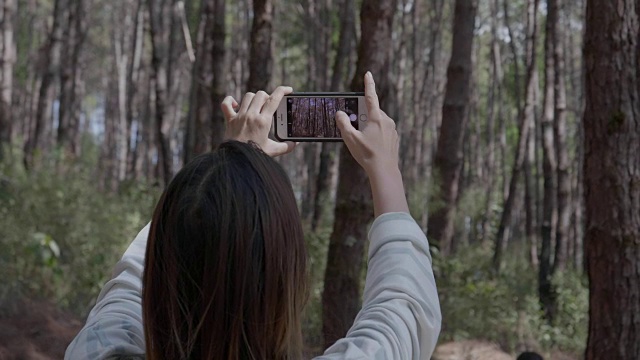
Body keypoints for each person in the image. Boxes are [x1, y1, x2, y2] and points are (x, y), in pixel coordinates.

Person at [65, 72, 441, 359]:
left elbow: (133, 279)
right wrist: (385, 169)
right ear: (287, 279)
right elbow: (402, 310)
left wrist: (234, 164)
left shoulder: (100, 348)